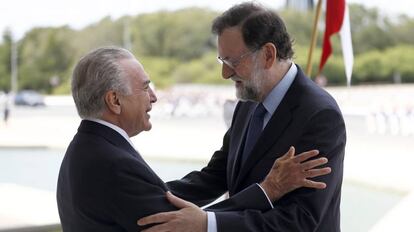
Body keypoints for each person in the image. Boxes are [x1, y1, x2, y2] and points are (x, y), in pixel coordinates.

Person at [57, 47, 331, 231]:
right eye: (144, 87)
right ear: (114, 100)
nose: (154, 96)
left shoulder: (86, 148)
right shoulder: (111, 163)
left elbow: (167, 201)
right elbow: (181, 225)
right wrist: (267, 190)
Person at [138, 2, 346, 232]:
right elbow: (216, 175)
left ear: (268, 54)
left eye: (233, 62)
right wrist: (149, 198)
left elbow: (300, 220)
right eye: (222, 61)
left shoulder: (319, 115)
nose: (225, 73)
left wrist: (208, 224)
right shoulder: (248, 101)